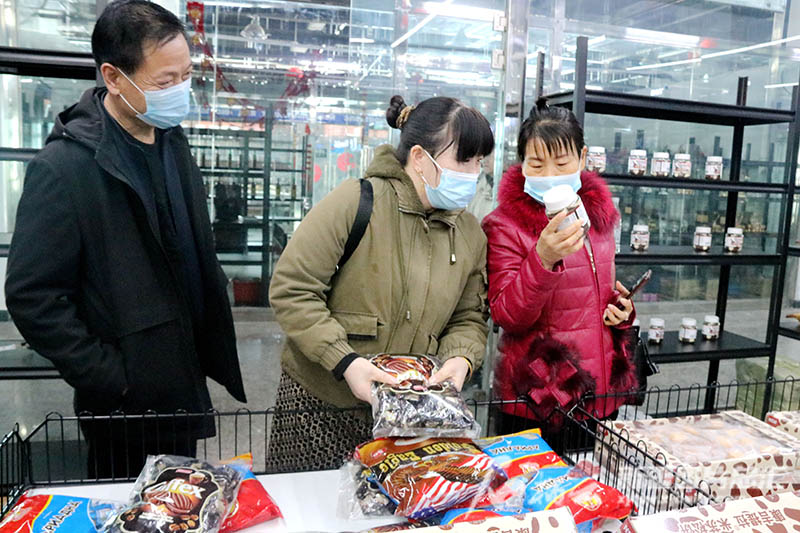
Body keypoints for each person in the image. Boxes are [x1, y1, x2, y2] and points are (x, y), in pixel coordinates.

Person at [5, 0, 246, 479]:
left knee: (178, 505)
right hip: (123, 408)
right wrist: (112, 378)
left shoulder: (172, 143)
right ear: (113, 78)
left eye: (186, 76)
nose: (181, 91)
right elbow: (32, 297)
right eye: (164, 81)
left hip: (180, 383)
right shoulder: (65, 168)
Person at [267, 95, 494, 472]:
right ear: (420, 158)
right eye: (464, 160)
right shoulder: (355, 202)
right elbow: (294, 289)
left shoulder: (468, 232)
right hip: (322, 409)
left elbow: (469, 316)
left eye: (480, 162)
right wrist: (345, 361)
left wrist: (460, 358)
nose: (474, 173)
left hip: (410, 420)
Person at [482, 97, 639, 438]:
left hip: (598, 390)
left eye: (562, 163)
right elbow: (507, 316)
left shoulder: (597, 216)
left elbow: (593, 290)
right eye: (537, 165)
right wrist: (543, 258)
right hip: (539, 395)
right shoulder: (506, 224)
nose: (550, 176)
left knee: (594, 486)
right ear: (522, 164)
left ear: (582, 159)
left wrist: (620, 309)